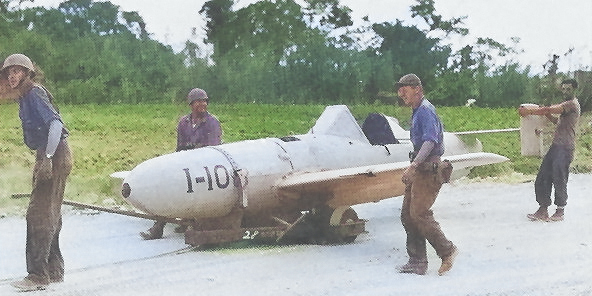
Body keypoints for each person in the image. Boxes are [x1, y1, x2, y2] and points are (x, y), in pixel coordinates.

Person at [1, 54, 73, 291]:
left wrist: (48, 158)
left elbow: (55, 124)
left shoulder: (33, 93)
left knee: (38, 214)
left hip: (53, 153)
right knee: (50, 212)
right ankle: (54, 269)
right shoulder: (26, 95)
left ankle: (37, 276)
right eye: (8, 72)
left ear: (27, 73)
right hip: (52, 153)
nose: (12, 76)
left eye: (17, 71)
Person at [396, 73, 457, 276]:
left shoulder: (425, 111)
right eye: (400, 91)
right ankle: (418, 261)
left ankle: (447, 250)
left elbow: (430, 141)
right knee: (407, 215)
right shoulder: (417, 111)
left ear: (417, 89)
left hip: (427, 170)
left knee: (419, 213)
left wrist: (413, 166)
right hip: (420, 169)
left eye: (405, 90)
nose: (402, 95)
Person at [140, 88, 222, 240]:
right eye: (199, 101)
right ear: (191, 104)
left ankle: (171, 224)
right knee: (168, 186)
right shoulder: (184, 123)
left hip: (204, 168)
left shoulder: (212, 122)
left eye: (205, 101)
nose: (203, 104)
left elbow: (213, 150)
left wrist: (192, 150)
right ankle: (159, 225)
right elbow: (180, 147)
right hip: (186, 164)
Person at [520, 79, 580, 222]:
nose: (565, 92)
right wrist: (546, 115)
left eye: (568, 89)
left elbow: (548, 109)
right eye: (563, 89)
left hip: (565, 147)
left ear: (574, 90)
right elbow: (556, 121)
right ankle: (543, 209)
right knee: (543, 177)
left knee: (559, 178)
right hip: (556, 146)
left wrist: (529, 111)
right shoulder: (565, 107)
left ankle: (560, 211)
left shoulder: (571, 104)